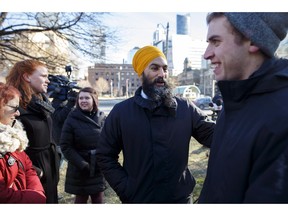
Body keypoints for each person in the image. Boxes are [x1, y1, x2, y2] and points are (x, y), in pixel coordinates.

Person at [96, 45, 215, 203]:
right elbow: (105, 155)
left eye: (165, 69)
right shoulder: (121, 112)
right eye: (155, 68)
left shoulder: (185, 108)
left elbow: (217, 136)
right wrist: (126, 189)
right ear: (141, 73)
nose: (162, 74)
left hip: (179, 201)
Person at [198, 12, 288, 203]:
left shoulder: (281, 119)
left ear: (252, 40)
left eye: (216, 42)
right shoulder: (235, 101)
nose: (206, 54)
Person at [6, 59, 60, 203]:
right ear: (27, 77)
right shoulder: (12, 107)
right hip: (32, 176)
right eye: (43, 76)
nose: (48, 80)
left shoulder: (42, 104)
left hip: (50, 171)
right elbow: (7, 145)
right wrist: (36, 172)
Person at [0, 83, 46, 203]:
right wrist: (34, 198)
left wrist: (37, 192)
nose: (18, 113)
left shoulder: (13, 136)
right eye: (14, 108)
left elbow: (28, 168)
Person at [60, 87, 106, 203]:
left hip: (98, 167)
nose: (83, 101)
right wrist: (83, 165)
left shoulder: (102, 117)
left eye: (87, 98)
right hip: (80, 169)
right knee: (81, 201)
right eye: (80, 98)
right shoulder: (72, 118)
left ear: (94, 100)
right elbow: (65, 146)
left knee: (98, 200)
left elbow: (108, 141)